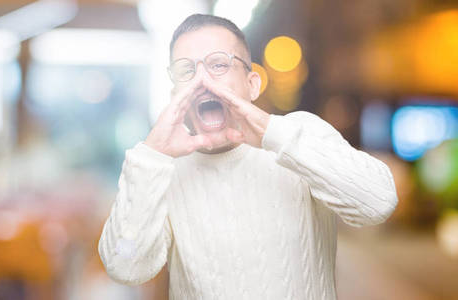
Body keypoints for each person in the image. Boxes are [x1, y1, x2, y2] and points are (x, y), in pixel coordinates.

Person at [98, 14, 398, 299]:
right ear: (175, 92)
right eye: (187, 70)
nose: (203, 81)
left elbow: (378, 203)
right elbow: (125, 267)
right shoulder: (162, 172)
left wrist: (273, 134)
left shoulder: (299, 135)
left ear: (252, 84)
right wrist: (151, 156)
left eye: (218, 65)